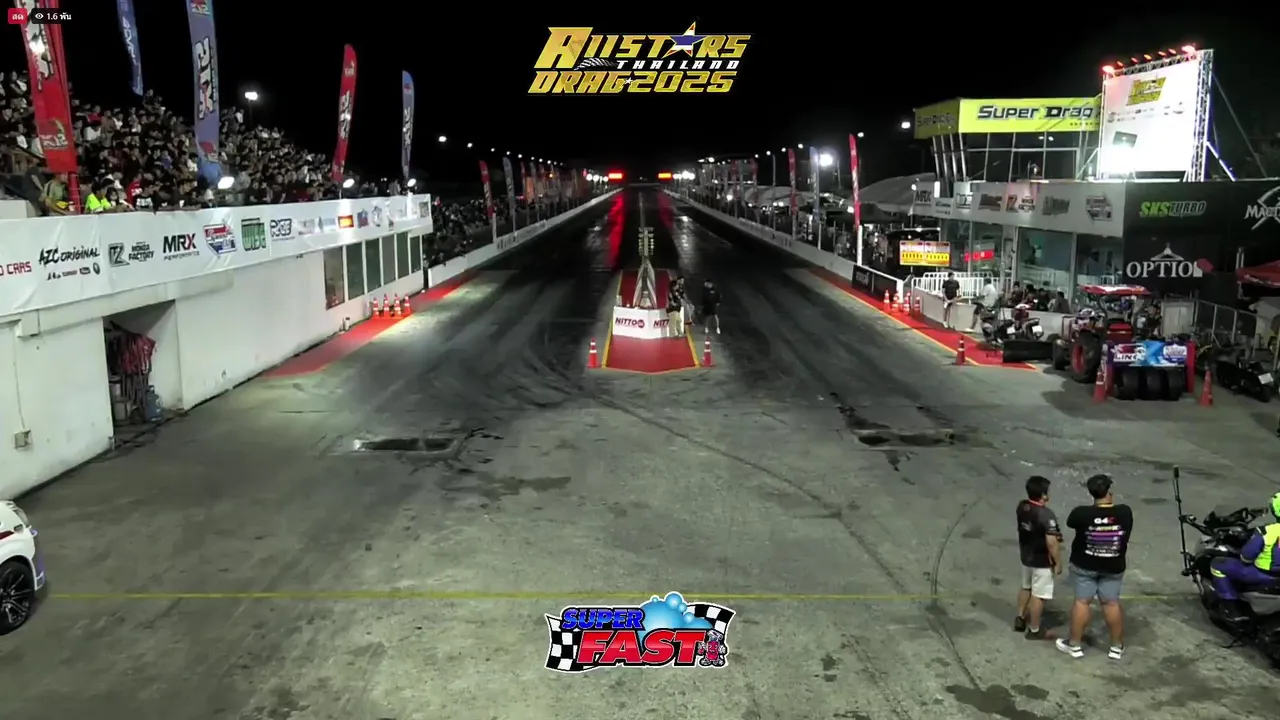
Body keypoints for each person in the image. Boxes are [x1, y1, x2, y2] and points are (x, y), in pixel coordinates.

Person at [1056, 474, 1133, 660]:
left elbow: (1070, 523)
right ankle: (1116, 647)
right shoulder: (1124, 512)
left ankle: (1074, 645)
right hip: (1113, 566)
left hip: (1084, 565)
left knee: (1082, 602)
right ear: (1109, 492)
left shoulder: (1081, 513)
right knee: (1111, 603)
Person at [1210, 492, 1280, 616]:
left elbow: (1246, 557)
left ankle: (1230, 608)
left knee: (1217, 565)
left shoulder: (1266, 532)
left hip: (1264, 575)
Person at [1015, 476, 1062, 639]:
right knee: (1038, 595)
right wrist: (1057, 562)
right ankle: (1034, 629)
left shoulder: (1022, 507)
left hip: (1026, 556)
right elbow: (1052, 543)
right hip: (1042, 561)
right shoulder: (1046, 515)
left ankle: (1020, 617)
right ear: (1043, 495)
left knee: (1026, 587)